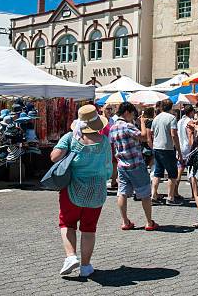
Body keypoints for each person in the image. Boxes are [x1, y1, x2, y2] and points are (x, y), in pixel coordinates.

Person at [51, 104, 112, 277]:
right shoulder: (104, 141)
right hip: (96, 191)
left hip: (72, 189)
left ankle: (71, 257)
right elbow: (108, 167)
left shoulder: (71, 137)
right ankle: (85, 267)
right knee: (89, 228)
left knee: (67, 223)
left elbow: (54, 157)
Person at [109, 102, 158, 231]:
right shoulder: (127, 126)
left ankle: (125, 221)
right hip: (135, 164)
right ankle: (149, 222)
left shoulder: (113, 128)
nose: (133, 117)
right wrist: (142, 122)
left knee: (122, 193)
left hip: (122, 165)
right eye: (132, 114)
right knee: (145, 193)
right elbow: (143, 137)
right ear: (127, 112)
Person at [150, 99, 183, 206]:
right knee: (172, 174)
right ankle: (170, 197)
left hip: (157, 147)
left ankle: (153, 195)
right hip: (167, 148)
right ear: (171, 107)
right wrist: (178, 150)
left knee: (158, 173)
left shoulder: (156, 118)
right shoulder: (172, 118)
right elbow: (174, 134)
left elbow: (151, 132)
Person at [176, 105, 195, 199]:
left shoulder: (179, 121)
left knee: (179, 170)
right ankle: (193, 193)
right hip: (188, 148)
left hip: (180, 147)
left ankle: (175, 191)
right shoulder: (190, 122)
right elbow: (190, 135)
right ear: (191, 112)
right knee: (191, 171)